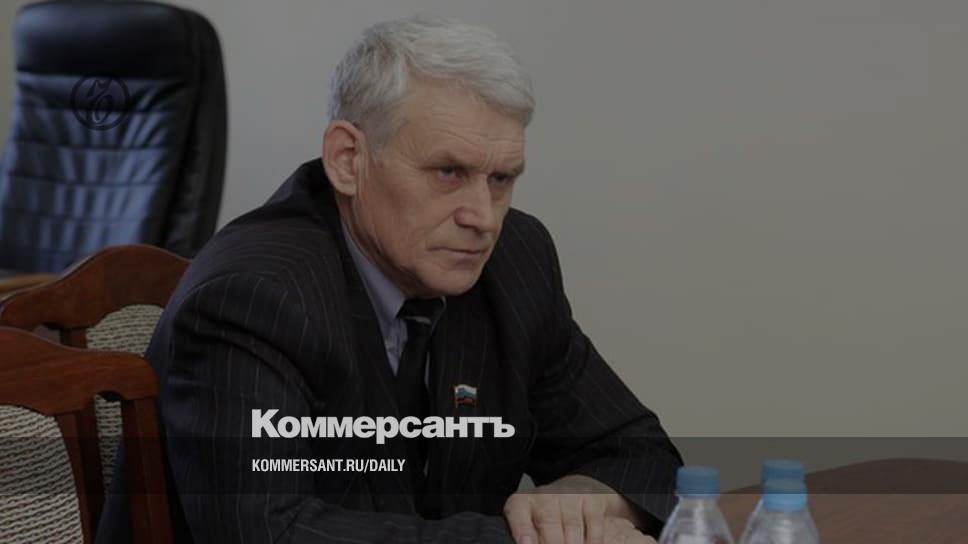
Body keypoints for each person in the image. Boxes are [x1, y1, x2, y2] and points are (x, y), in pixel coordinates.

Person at [97, 15, 681, 544]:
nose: (483, 217)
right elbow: (271, 530)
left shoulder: (515, 260)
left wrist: (584, 500)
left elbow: (639, 453)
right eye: (448, 171)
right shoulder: (254, 296)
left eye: (501, 179)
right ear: (348, 160)